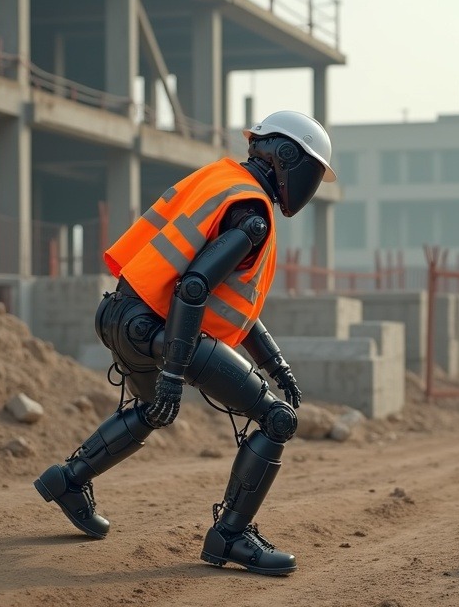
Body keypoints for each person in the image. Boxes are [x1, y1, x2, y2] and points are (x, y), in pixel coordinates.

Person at [33, 110, 337, 577]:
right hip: (164, 331)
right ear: (287, 155)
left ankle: (69, 479)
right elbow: (193, 288)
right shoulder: (252, 213)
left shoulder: (222, 181)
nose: (311, 183)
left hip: (120, 315)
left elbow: (230, 305)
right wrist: (175, 371)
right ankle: (230, 537)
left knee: (153, 408)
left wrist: (276, 366)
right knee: (277, 419)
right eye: (313, 170)